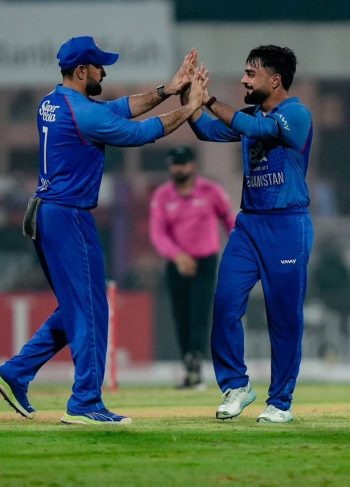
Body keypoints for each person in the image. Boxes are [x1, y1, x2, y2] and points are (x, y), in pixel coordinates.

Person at [0, 36, 205, 425]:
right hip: (70, 217)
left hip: (46, 213)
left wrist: (168, 90)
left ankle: (16, 372)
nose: (104, 72)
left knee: (76, 307)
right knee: (91, 310)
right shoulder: (84, 114)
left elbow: (119, 108)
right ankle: (85, 402)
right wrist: (190, 107)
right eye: (99, 67)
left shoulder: (53, 102)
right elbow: (141, 134)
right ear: (82, 71)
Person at [184, 45, 314, 423]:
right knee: (225, 303)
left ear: (275, 80)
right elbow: (206, 129)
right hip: (249, 225)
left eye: (250, 74)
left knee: (284, 319)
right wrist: (188, 94)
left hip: (287, 225)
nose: (243, 80)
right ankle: (236, 387)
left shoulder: (296, 114)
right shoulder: (251, 116)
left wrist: (208, 99)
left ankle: (280, 403)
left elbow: (257, 130)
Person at [149, 145, 235, 390]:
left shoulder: (211, 191)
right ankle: (190, 367)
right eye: (174, 164)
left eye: (182, 164)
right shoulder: (162, 196)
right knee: (181, 316)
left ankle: (196, 360)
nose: (178, 169)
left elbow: (230, 221)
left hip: (205, 261)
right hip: (177, 263)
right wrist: (177, 256)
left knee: (199, 312)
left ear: (193, 166)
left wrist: (238, 251)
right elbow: (158, 233)